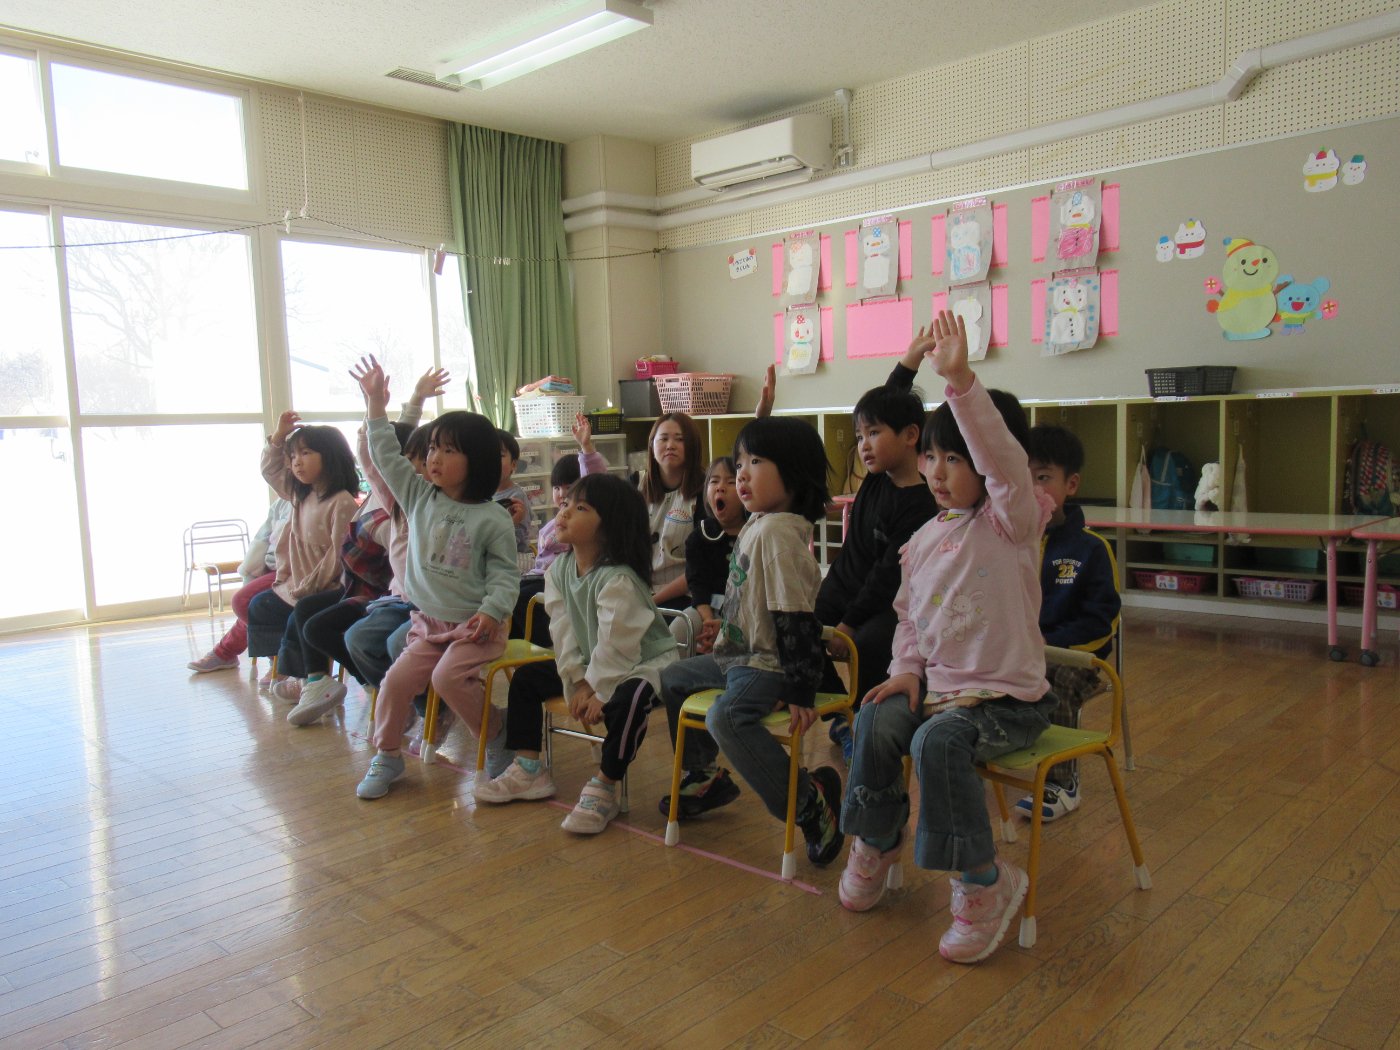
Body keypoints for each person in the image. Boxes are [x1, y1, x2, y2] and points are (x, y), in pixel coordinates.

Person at [836, 309, 1057, 967]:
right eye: (930, 455)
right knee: (875, 720)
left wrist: (959, 381)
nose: (936, 470)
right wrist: (905, 669)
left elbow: (1005, 464)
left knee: (935, 742)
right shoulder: (924, 538)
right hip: (939, 693)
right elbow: (909, 617)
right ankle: (877, 840)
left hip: (1005, 702)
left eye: (954, 458)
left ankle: (985, 883)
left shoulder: (1012, 521)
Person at [656, 416, 844, 868]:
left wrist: (800, 688)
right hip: (739, 656)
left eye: (755, 462)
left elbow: (796, 617)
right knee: (674, 678)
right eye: (739, 463)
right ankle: (704, 775)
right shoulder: (759, 522)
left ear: (793, 474)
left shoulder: (778, 534)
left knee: (726, 717)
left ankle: (808, 802)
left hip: (769, 664)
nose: (741, 474)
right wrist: (724, 627)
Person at [350, 358, 519, 801]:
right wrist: (375, 404)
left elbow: (505, 575)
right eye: (432, 449)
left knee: (447, 680)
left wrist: (492, 611)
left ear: (476, 460)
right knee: (395, 683)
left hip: (476, 628)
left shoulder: (493, 518)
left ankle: (496, 732)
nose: (433, 458)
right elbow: (385, 455)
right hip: (429, 624)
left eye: (447, 450)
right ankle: (387, 753)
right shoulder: (419, 496)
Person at [476, 473, 678, 834]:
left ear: (609, 526)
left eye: (581, 507)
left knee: (629, 701)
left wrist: (599, 689)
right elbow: (562, 630)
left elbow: (618, 644)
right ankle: (528, 768)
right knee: (526, 679)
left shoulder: (618, 579)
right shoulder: (560, 570)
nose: (564, 512)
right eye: (566, 503)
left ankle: (605, 784)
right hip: (593, 661)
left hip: (643, 664)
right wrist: (578, 681)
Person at [810, 342, 937, 760]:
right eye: (860, 435)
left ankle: (866, 723)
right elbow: (890, 401)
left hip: (885, 604)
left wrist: (847, 625)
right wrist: (909, 362)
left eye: (874, 434)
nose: (864, 445)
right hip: (842, 587)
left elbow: (886, 578)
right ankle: (840, 715)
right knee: (797, 633)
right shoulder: (877, 477)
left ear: (910, 437)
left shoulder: (921, 504)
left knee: (867, 644)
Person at [1016, 424, 1121, 820]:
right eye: (1023, 476)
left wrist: (1051, 645)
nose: (1031, 488)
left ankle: (1062, 784)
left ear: (1071, 484)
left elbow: (1102, 621)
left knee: (1054, 681)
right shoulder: (1010, 542)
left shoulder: (1091, 549)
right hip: (1020, 652)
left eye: (1043, 477)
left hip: (1075, 658)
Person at [246, 415, 362, 698]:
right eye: (293, 455)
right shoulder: (301, 494)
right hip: (297, 582)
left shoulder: (342, 502)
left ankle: (307, 678)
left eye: (306, 453)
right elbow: (271, 470)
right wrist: (278, 438)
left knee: (301, 613)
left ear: (330, 456)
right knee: (259, 606)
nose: (297, 462)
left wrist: (310, 585)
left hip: (327, 584)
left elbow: (337, 557)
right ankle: (283, 667)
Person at [580, 412, 703, 610]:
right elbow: (602, 498)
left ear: (693, 446)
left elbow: (700, 568)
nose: (670, 445)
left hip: (683, 594)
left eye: (679, 439)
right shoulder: (637, 483)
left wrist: (652, 602)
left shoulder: (704, 491)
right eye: (663, 439)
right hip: (636, 588)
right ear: (652, 445)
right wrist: (587, 448)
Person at [187, 498, 290, 674]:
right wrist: (251, 572)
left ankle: (280, 659)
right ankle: (228, 652)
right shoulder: (280, 504)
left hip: (291, 570)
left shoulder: (309, 501)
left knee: (244, 602)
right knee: (252, 606)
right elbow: (262, 540)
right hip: (271, 567)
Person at [508, 433, 586, 647]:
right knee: (509, 593)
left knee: (524, 597)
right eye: (557, 488)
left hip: (559, 579)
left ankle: (538, 644)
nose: (561, 494)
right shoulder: (552, 523)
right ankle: (516, 642)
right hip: (537, 575)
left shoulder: (582, 523)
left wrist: (586, 447)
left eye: (569, 487)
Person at [674, 456, 747, 650]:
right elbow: (698, 584)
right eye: (714, 481)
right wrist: (708, 622)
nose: (720, 487)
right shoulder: (699, 537)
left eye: (731, 482)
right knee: (681, 627)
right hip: (707, 609)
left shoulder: (755, 533)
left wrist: (725, 625)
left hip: (746, 613)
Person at [495, 429, 533, 554]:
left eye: (500, 455)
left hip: (514, 555)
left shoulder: (516, 497)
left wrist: (511, 523)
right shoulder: (480, 494)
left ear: (513, 464)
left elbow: (518, 538)